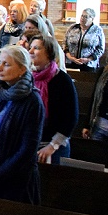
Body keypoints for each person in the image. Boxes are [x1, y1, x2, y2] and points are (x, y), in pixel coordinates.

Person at [0, 45, 44, 204]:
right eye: (0, 62)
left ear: (22, 70)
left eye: (6, 64)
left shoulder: (32, 101)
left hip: (15, 184)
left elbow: (27, 150)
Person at [29, 35, 79, 164]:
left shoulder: (62, 80)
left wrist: (52, 146)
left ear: (49, 53)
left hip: (55, 146)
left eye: (36, 48)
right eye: (30, 48)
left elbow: (71, 118)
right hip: (30, 144)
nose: (30, 52)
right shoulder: (27, 78)